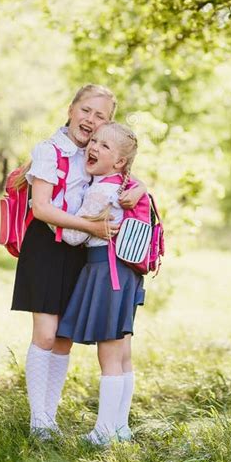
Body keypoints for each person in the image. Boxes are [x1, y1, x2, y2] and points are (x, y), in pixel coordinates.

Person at [10, 85, 145, 438]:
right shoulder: (49, 150)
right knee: (45, 333)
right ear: (71, 109)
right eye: (86, 110)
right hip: (47, 244)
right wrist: (91, 226)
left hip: (80, 250)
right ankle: (39, 420)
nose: (91, 120)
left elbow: (121, 175)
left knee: (63, 339)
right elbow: (41, 208)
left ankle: (50, 417)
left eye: (100, 116)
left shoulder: (96, 153)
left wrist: (140, 186)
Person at [57, 122, 144, 445]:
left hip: (104, 272)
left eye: (105, 146)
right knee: (122, 354)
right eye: (94, 141)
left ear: (119, 162)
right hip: (125, 273)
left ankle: (103, 432)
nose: (94, 147)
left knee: (108, 356)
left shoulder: (99, 192)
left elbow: (73, 235)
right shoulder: (125, 186)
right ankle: (120, 427)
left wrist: (68, 208)